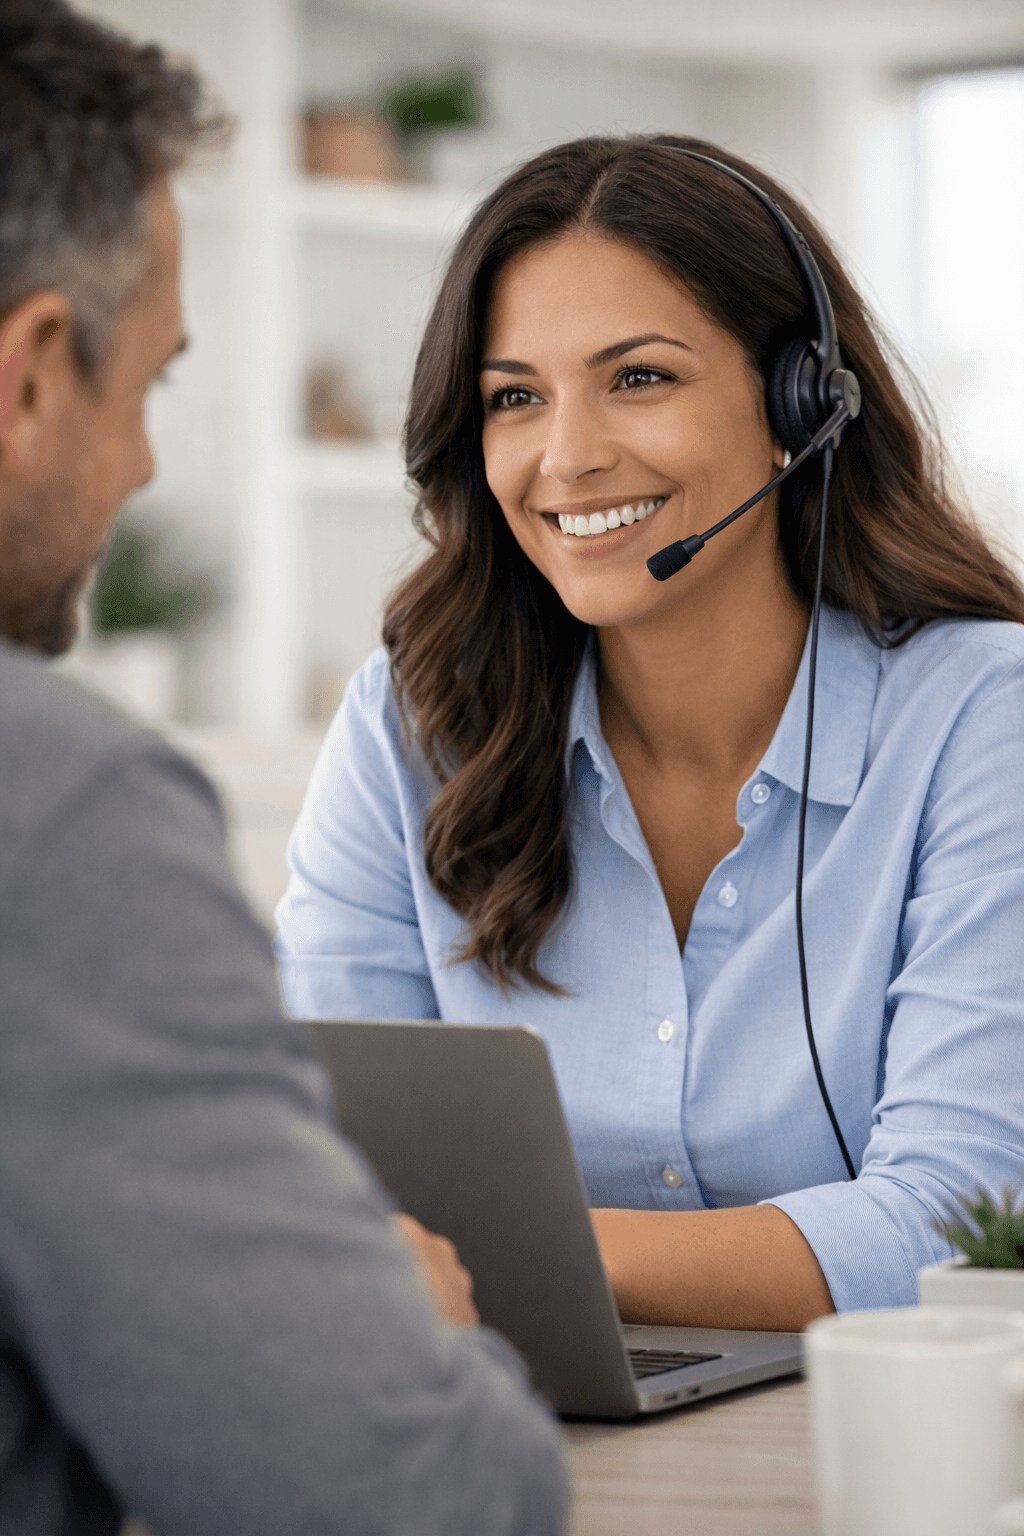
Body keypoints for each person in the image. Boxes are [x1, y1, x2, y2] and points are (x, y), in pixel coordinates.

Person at [276, 132, 1024, 1333]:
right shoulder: (412, 726)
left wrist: (525, 1253)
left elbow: (962, 1226)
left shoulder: (986, 718)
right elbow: (314, 1168)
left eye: (639, 378)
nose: (567, 457)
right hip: (501, 1435)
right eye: (514, 398)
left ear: (803, 403)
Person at [0, 5, 567, 1532]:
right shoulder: (52, 809)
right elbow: (408, 1497)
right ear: (36, 372)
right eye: (155, 386)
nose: (142, 467)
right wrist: (401, 1314)